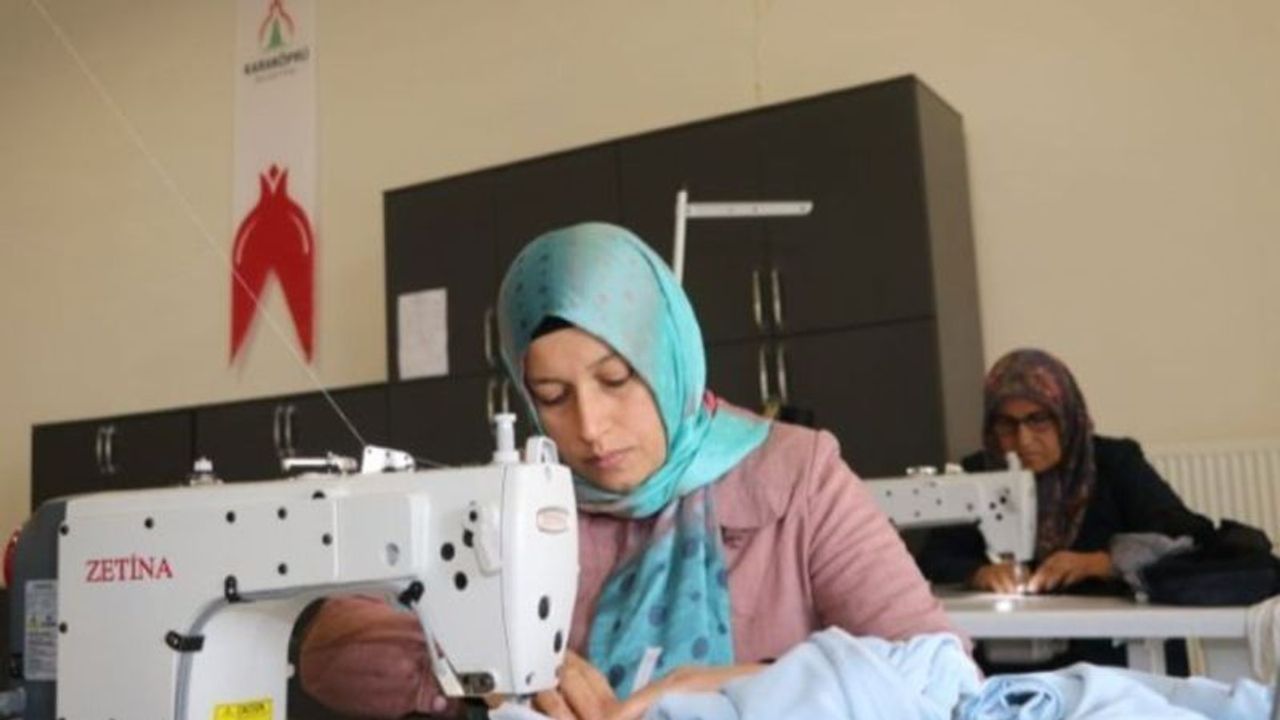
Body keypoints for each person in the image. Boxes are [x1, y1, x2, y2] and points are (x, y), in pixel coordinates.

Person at [298, 222, 961, 719]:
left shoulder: (797, 475)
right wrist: (484, 669)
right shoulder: (522, 495)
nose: (589, 426)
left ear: (668, 358)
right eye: (552, 397)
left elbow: (944, 675)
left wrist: (724, 684)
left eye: (616, 380)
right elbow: (330, 646)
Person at [917, 348, 1213, 671]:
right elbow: (935, 556)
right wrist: (978, 573)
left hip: (1117, 651)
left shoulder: (1116, 464)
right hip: (1017, 655)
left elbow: (1187, 538)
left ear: (1066, 415)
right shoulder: (980, 473)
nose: (1023, 439)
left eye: (1038, 419)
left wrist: (1103, 563)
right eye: (1007, 424)